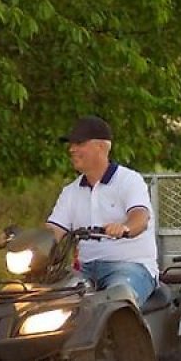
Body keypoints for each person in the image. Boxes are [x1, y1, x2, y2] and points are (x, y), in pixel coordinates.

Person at [45, 115, 158, 306]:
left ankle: (125, 335)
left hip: (131, 267)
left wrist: (125, 228)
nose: (72, 149)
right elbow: (53, 231)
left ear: (102, 147)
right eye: (71, 144)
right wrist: (26, 240)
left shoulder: (129, 180)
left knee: (117, 298)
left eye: (79, 143)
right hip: (85, 270)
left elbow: (140, 217)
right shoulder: (71, 191)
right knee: (48, 299)